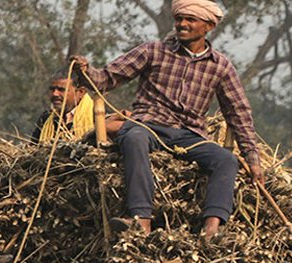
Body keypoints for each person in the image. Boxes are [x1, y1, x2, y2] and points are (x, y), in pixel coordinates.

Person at [71, 0, 263, 239]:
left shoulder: (220, 66)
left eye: (190, 20)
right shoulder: (152, 51)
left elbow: (238, 113)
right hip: (148, 124)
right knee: (134, 139)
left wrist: (252, 158)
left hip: (189, 134)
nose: (182, 24)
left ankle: (212, 227)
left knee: (225, 160)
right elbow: (107, 79)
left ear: (209, 26)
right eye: (179, 19)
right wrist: (85, 71)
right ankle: (141, 218)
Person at [33, 70, 126, 143]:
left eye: (61, 90)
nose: (55, 94)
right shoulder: (45, 119)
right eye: (52, 89)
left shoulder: (99, 116)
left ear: (81, 92)